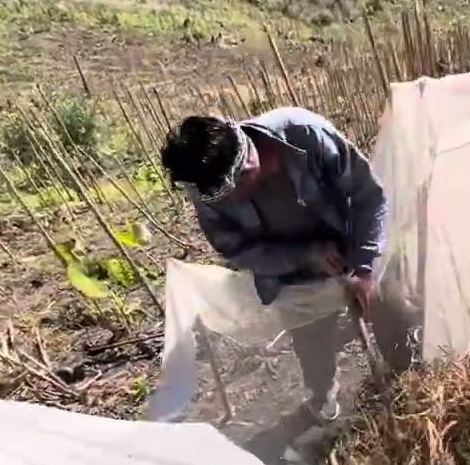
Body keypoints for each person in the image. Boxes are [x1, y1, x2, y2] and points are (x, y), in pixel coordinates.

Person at [160, 107, 414, 423]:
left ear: (247, 166)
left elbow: (369, 196)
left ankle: (410, 381)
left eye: (234, 194)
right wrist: (305, 255)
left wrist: (365, 268)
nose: (229, 204)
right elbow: (238, 250)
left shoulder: (305, 136)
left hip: (356, 248)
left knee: (391, 311)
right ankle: (323, 402)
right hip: (291, 276)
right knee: (311, 345)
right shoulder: (208, 188)